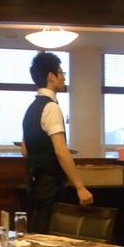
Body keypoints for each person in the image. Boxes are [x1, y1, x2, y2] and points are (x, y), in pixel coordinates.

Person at [21, 52, 93, 233]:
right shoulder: (51, 108)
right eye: (61, 73)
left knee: (37, 232)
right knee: (50, 236)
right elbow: (61, 151)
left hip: (34, 183)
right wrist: (80, 187)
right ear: (51, 76)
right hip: (51, 185)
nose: (63, 78)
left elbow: (24, 149)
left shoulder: (31, 109)